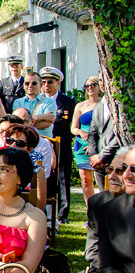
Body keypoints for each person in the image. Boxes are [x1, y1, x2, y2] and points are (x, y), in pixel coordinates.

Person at [39, 66, 75, 223]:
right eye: (44, 82)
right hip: (43, 143)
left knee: (63, 176)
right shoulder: (38, 101)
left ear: (58, 83)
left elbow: (72, 123)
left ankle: (63, 212)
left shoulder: (67, 101)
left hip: (62, 143)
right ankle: (44, 207)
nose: (46, 85)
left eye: (50, 82)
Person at [72, 76, 103, 206]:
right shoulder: (80, 106)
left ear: (99, 87)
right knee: (85, 180)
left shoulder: (104, 104)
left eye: (93, 85)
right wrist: (81, 132)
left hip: (99, 144)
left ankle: (104, 209)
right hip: (81, 145)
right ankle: (90, 211)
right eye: (87, 86)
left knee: (101, 179)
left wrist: (94, 144)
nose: (90, 88)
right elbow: (73, 128)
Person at [87, 95, 120, 191]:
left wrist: (102, 156)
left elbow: (120, 135)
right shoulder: (98, 106)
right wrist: (94, 157)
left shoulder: (120, 104)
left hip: (116, 158)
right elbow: (92, 133)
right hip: (98, 163)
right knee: (103, 195)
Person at [12, 72, 57, 138]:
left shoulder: (49, 102)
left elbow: (47, 124)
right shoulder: (18, 102)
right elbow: (17, 123)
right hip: (23, 139)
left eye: (34, 83)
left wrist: (25, 122)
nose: (30, 86)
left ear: (41, 85)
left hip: (43, 139)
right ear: (24, 85)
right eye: (27, 83)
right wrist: (39, 117)